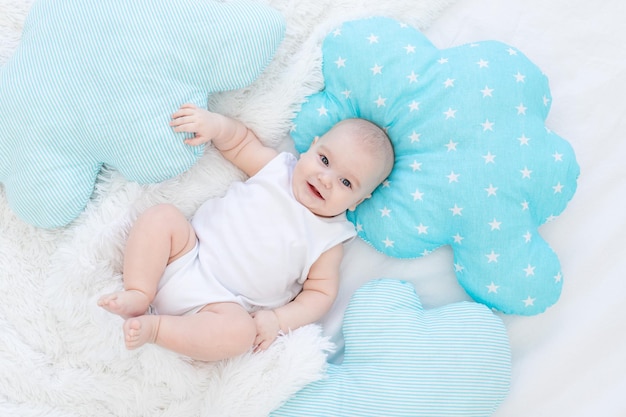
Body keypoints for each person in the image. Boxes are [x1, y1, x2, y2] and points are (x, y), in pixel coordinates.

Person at [98, 103, 394, 362]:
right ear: (311, 147)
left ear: (360, 199)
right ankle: (139, 291)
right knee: (161, 217)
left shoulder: (330, 239)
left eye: (346, 183)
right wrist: (214, 125)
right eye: (325, 160)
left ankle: (158, 329)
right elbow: (239, 143)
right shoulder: (277, 169)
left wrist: (277, 319)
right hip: (186, 253)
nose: (325, 179)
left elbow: (319, 294)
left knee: (240, 334)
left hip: (220, 307)